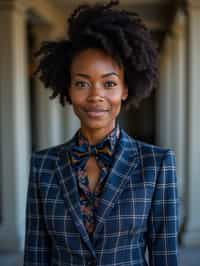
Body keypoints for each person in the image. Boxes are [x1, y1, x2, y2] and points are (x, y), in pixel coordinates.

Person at [23, 1, 179, 265]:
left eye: (109, 83)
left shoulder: (157, 164)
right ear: (68, 89)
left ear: (125, 90)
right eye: (82, 83)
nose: (96, 96)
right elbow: (36, 256)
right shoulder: (43, 166)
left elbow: (165, 257)